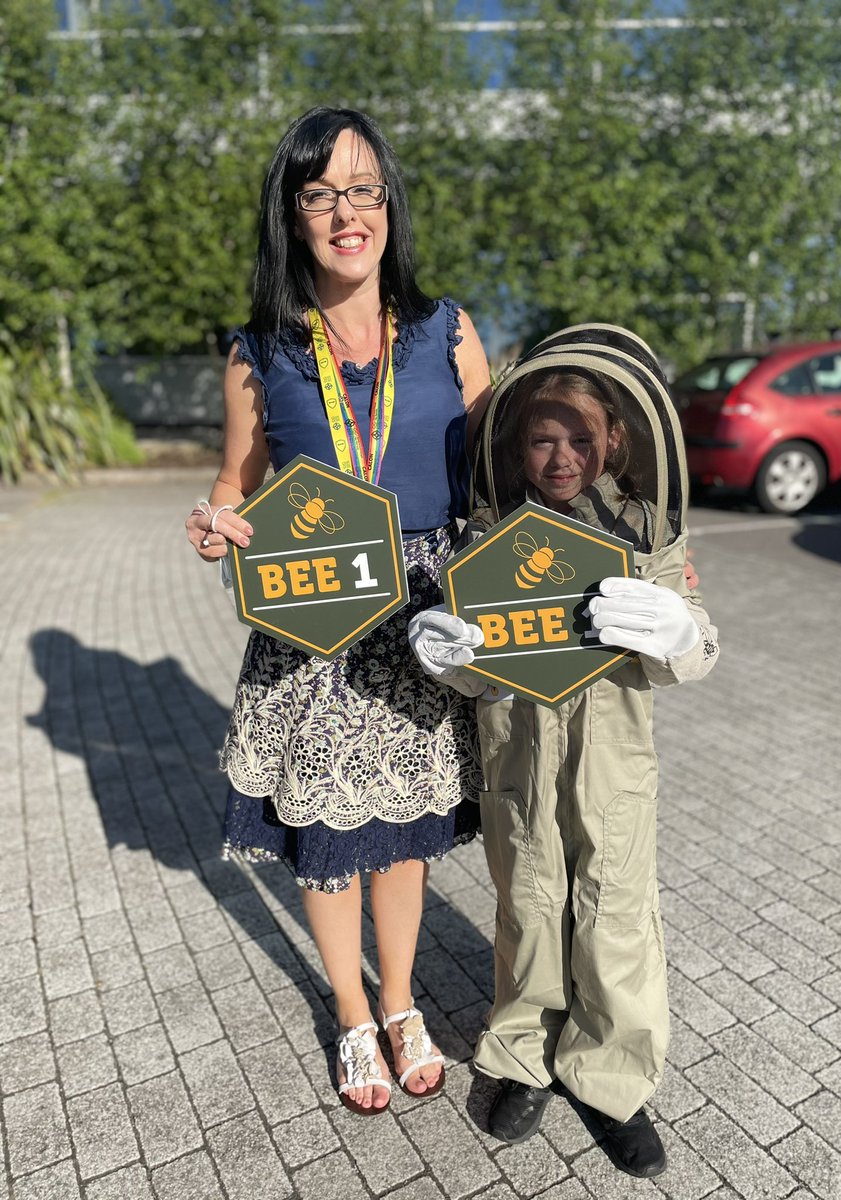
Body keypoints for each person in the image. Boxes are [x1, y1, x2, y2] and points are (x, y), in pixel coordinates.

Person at [185, 106, 491, 1116]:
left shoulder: (449, 330)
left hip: (423, 622)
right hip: (313, 619)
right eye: (321, 193)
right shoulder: (257, 351)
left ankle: (404, 1001)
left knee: (403, 829)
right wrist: (220, 519)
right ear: (293, 213)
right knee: (327, 831)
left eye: (364, 189)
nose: (346, 212)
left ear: (390, 206)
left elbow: (502, 476)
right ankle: (354, 1015)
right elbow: (236, 481)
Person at [408, 325, 719, 1176]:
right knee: (530, 905)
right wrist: (448, 656)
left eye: (581, 437)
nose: (561, 455)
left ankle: (612, 1078)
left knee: (613, 915)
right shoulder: (490, 533)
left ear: (616, 439)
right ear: (515, 442)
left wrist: (677, 629)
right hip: (517, 764)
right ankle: (523, 1053)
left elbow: (700, 652)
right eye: (543, 437)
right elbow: (474, 666)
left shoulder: (641, 527)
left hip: (613, 769)